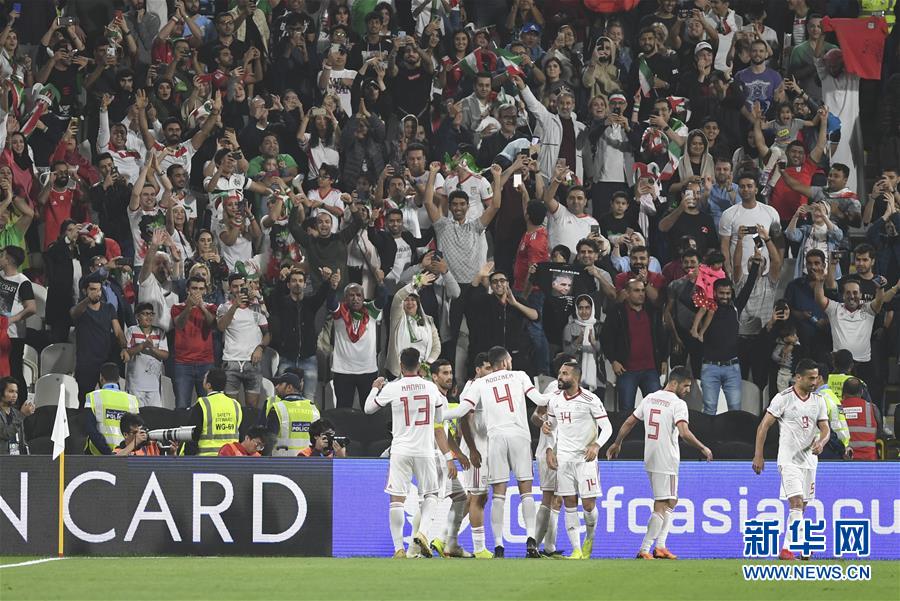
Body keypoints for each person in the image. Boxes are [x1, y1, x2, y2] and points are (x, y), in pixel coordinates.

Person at [607, 366, 713, 559]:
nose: (688, 390)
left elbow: (630, 422)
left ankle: (661, 546)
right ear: (674, 383)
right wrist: (703, 447)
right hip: (666, 458)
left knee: (671, 500)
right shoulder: (678, 404)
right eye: (686, 386)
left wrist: (617, 443)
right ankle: (645, 549)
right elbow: (684, 433)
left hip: (651, 456)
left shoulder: (650, 398)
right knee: (662, 503)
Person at [456, 346, 549, 558]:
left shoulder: (480, 383)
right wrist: (558, 394)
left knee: (498, 494)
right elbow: (540, 400)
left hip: (496, 438)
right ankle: (531, 539)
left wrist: (441, 414)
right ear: (506, 362)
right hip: (519, 436)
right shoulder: (520, 376)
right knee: (526, 491)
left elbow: (463, 411)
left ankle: (498, 546)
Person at [363, 347, 456, 559]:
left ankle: (399, 549)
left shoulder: (393, 388)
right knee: (431, 494)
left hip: (400, 450)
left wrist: (375, 388)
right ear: (420, 365)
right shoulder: (431, 388)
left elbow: (368, 409)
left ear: (401, 365)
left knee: (397, 499)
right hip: (425, 450)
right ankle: (422, 532)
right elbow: (440, 418)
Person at [752, 359, 830, 560]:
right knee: (796, 502)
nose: (815, 382)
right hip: (789, 461)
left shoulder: (819, 400)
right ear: (798, 377)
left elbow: (825, 428)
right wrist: (758, 455)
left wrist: (822, 442)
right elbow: (763, 426)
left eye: (816, 378)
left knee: (803, 506)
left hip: (810, 461)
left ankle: (795, 547)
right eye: (811, 378)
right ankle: (791, 548)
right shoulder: (783, 398)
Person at [543, 360, 612, 560]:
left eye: (565, 373)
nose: (560, 376)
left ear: (576, 377)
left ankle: (589, 536)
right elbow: (551, 428)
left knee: (589, 506)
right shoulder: (554, 400)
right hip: (564, 459)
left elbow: (607, 428)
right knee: (569, 502)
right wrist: (549, 448)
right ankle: (576, 550)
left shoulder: (590, 399)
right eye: (560, 373)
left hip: (585, 460)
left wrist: (596, 445)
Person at [602, 279, 667, 412]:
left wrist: (664, 359)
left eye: (643, 290)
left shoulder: (653, 312)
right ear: (627, 293)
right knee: (626, 411)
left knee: (655, 409)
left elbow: (662, 336)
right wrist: (613, 360)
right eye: (636, 290)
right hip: (627, 370)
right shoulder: (617, 312)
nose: (641, 294)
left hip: (651, 369)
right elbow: (606, 338)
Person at [454, 352, 494, 560]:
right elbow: (464, 420)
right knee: (478, 497)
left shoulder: (485, 386)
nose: (491, 371)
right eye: (487, 368)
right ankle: (479, 549)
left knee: (475, 497)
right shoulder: (473, 387)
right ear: (478, 370)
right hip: (476, 448)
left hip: (483, 447)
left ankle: (445, 538)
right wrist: (472, 450)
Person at [327, 281, 385, 409]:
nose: (355, 298)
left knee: (369, 409)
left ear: (363, 297)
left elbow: (383, 299)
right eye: (351, 295)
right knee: (343, 409)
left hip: (368, 370)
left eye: (359, 295)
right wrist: (333, 288)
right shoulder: (340, 311)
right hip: (343, 371)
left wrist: (380, 283)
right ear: (345, 298)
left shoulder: (371, 310)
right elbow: (331, 302)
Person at [217, 273, 271, 408]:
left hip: (252, 362)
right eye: (235, 286)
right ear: (229, 288)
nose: (239, 289)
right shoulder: (224, 307)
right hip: (231, 361)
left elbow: (268, 333)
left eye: (242, 285)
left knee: (252, 407)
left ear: (247, 285)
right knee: (231, 407)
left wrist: (260, 348)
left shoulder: (256, 307)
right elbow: (221, 327)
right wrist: (235, 305)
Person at [71, 276, 127, 407]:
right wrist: (87, 300)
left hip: (106, 361)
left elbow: (118, 331)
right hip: (86, 363)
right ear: (85, 291)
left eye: (99, 289)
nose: (97, 293)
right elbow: (74, 313)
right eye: (93, 289)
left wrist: (124, 347)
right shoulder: (80, 309)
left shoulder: (109, 308)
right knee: (85, 401)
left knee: (111, 401)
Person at [171, 275, 218, 409]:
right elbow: (179, 324)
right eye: (194, 288)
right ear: (188, 290)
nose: (197, 292)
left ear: (205, 291)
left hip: (205, 363)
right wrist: (189, 307)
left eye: (201, 289)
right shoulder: (177, 307)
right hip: (183, 364)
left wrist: (202, 307)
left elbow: (212, 324)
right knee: (181, 405)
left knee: (208, 406)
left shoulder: (211, 307)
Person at [0, 246, 35, 404]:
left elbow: (31, 307)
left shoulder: (23, 281)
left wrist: (12, 319)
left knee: (14, 371)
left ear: (8, 260)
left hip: (13, 334)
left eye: (2, 255)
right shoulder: (1, 276)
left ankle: (20, 405)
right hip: (1, 332)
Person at [83, 363, 140, 456]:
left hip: (97, 454)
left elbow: (90, 429)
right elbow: (136, 431)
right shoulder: (132, 399)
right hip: (125, 454)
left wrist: (108, 454)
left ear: (101, 378)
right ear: (118, 379)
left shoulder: (92, 396)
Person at [187, 368, 242, 457]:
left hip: (207, 458)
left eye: (204, 378)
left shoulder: (202, 404)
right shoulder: (235, 404)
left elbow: (192, 434)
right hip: (231, 458)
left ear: (208, 385)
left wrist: (188, 458)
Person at [122, 302, 169, 407]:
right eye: (145, 314)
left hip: (154, 386)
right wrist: (142, 346)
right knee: (136, 415)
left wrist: (152, 348)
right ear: (137, 316)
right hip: (135, 385)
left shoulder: (159, 332)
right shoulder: (131, 331)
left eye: (151, 314)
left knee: (154, 415)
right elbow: (127, 352)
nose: (149, 317)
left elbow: (165, 355)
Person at [266, 372, 322, 457]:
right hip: (309, 460)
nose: (276, 387)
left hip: (282, 460)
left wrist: (264, 459)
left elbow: (270, 439)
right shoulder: (312, 407)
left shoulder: (278, 408)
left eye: (280, 384)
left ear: (289, 387)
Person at [841, 378, 881, 461]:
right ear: (862, 392)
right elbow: (879, 433)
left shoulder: (837, 407)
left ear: (843, 392)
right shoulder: (872, 408)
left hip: (844, 460)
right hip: (869, 459)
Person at [0, 377, 33, 455]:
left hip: (17, 458)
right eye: (11, 391)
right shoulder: (20, 414)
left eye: (16, 392)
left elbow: (22, 439)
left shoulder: (16, 413)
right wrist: (22, 415)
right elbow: (5, 434)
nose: (15, 395)